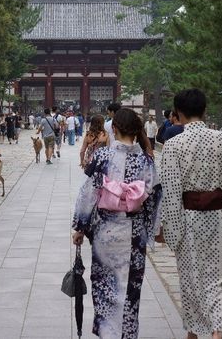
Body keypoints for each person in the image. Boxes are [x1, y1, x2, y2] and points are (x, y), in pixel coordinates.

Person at [159, 89, 222, 339]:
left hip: (188, 220)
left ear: (177, 114)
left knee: (190, 280)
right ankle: (216, 332)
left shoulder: (173, 144)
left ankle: (194, 332)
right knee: (217, 278)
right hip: (217, 219)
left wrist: (169, 228)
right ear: (205, 110)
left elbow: (171, 191)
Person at [72, 108, 162, 338]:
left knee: (105, 285)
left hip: (105, 231)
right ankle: (127, 334)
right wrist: (155, 230)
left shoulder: (102, 157)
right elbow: (153, 199)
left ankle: (107, 333)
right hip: (134, 233)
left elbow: (88, 193)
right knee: (130, 290)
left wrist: (80, 226)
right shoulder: (146, 161)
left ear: (114, 129)